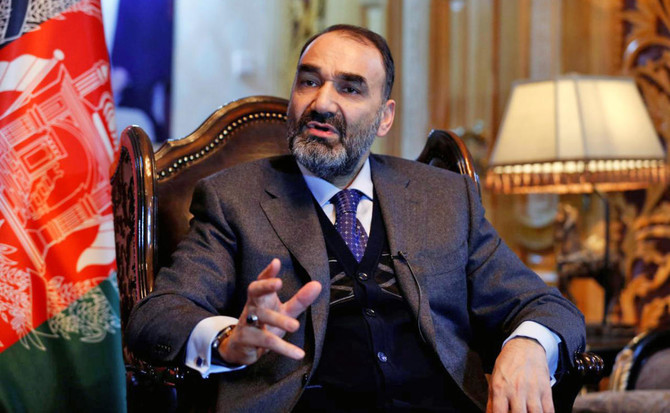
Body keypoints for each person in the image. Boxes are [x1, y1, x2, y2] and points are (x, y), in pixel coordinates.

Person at [127, 24, 585, 412]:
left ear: (385, 117)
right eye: (309, 82)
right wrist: (229, 340)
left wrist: (528, 345)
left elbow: (546, 306)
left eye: (349, 88)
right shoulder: (233, 199)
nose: (322, 103)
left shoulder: (444, 198)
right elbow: (156, 315)